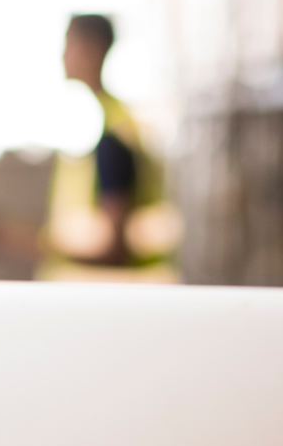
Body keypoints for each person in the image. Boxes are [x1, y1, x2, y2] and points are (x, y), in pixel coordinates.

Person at [39, 14, 179, 280]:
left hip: (107, 292)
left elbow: (114, 249)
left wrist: (9, 238)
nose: (63, 56)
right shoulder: (109, 120)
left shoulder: (110, 136)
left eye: (69, 45)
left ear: (92, 51)